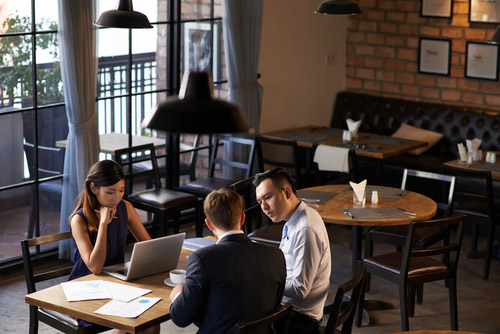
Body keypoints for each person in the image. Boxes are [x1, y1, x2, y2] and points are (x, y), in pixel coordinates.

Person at [169, 188, 286, 334]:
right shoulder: (276, 256)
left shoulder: (202, 259)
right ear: (242, 218)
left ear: (209, 224)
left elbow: (180, 318)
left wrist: (178, 295)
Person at [68, 160, 159, 334]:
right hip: (86, 289)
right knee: (127, 327)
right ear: (94, 188)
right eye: (110, 192)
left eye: (121, 190)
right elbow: (95, 267)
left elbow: (149, 246)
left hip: (116, 284)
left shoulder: (126, 208)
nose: (117, 198)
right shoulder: (79, 220)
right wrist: (103, 224)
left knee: (151, 323)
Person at [254, 168, 331, 334]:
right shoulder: (298, 215)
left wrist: (266, 280)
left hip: (300, 320)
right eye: (260, 202)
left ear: (287, 192)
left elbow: (300, 289)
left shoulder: (305, 229)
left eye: (268, 197)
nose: (264, 207)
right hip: (290, 308)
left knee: (235, 314)